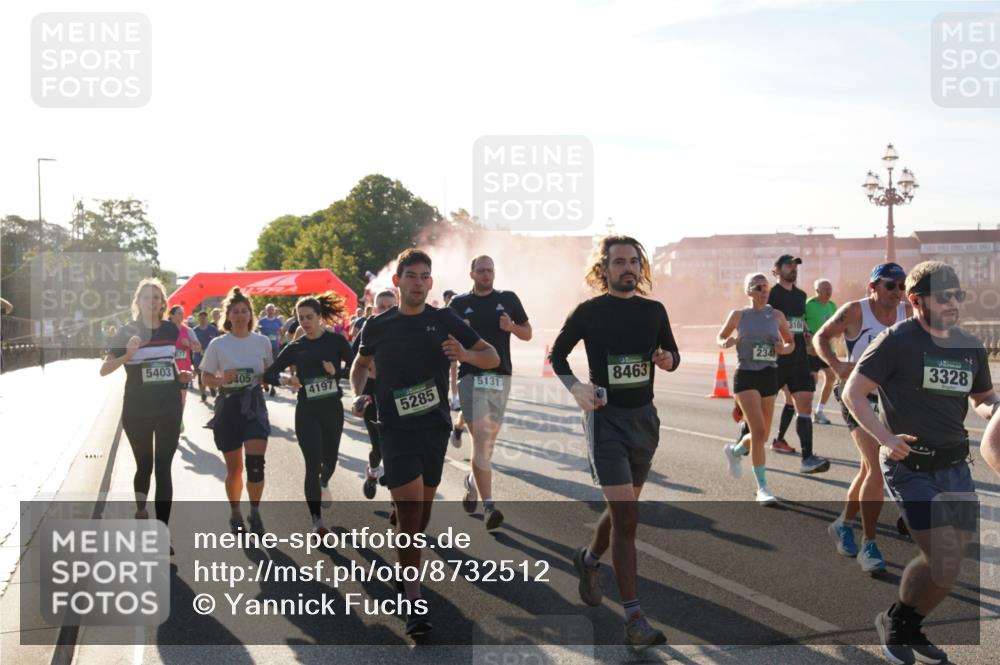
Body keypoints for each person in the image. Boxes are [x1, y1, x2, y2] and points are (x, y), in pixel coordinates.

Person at [843, 261, 998, 664]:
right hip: (910, 466)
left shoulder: (968, 345)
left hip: (955, 467)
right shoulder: (896, 341)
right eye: (943, 296)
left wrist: (997, 409)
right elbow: (853, 393)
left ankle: (907, 622)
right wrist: (885, 438)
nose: (953, 303)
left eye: (957, 295)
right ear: (916, 301)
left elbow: (981, 399)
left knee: (949, 564)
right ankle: (896, 622)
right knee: (944, 557)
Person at [349, 249, 499, 638]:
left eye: (424, 276)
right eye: (410, 276)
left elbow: (492, 355)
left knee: (419, 515)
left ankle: (405, 566)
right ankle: (414, 602)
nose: (417, 282)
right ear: (397, 281)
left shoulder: (443, 319)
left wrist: (464, 353)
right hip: (395, 429)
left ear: (430, 283)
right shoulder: (377, 325)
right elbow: (361, 365)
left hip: (433, 428)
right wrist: (358, 393)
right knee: (412, 513)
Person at [550, 235, 680, 652]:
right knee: (627, 519)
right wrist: (577, 389)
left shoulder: (654, 311)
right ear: (602, 268)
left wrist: (666, 360)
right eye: (619, 261)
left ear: (641, 269)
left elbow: (673, 353)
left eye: (633, 262)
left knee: (622, 513)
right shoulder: (589, 312)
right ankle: (635, 618)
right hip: (605, 421)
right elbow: (557, 355)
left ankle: (588, 559)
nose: (627, 268)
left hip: (644, 420)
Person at [815, 263, 910, 575]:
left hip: (891, 398)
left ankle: (844, 524)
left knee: (869, 469)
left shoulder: (906, 312)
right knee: (877, 467)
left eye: (902, 285)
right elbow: (821, 337)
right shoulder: (855, 311)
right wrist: (837, 366)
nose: (897, 291)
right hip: (858, 397)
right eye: (890, 285)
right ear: (873, 287)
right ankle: (869, 544)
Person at [100, 278, 189, 547]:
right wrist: (127, 355)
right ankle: (141, 509)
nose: (152, 302)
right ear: (137, 302)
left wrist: (181, 376)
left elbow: (169, 364)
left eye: (156, 297)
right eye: (146, 297)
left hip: (168, 408)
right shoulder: (127, 331)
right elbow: (104, 370)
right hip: (137, 410)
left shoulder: (172, 330)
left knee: (164, 469)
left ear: (163, 302)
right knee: (144, 465)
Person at [449, 257, 531, 530]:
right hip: (471, 376)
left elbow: (528, 333)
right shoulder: (458, 304)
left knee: (488, 446)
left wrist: (512, 328)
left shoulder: (508, 299)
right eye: (481, 270)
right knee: (482, 440)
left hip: (500, 376)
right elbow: (447, 339)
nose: (486, 274)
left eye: (490, 270)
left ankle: (473, 483)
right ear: (471, 273)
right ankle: (489, 506)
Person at [264, 293, 353, 534]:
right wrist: (287, 380)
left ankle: (324, 482)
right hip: (307, 412)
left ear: (320, 317)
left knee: (330, 461)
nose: (304, 322)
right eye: (300, 318)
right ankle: (317, 522)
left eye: (309, 317)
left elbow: (357, 368)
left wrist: (336, 373)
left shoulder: (336, 342)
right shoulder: (296, 347)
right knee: (312, 465)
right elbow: (269, 374)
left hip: (332, 409)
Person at [199, 288, 275, 534]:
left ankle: (254, 512)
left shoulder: (261, 341)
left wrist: (271, 378)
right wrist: (222, 379)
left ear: (251, 314)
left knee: (255, 465)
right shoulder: (218, 344)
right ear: (228, 316)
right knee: (235, 469)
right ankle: (235, 511)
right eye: (236, 312)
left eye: (245, 311)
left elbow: (269, 373)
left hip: (253, 404)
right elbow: (205, 378)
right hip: (229, 406)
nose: (241, 316)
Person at [717, 273, 795, 505]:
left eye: (766, 287)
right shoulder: (739, 315)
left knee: (762, 435)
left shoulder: (777, 315)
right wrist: (726, 342)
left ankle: (735, 451)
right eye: (759, 287)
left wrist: (783, 349)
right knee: (759, 431)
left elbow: (791, 343)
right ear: (749, 291)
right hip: (746, 377)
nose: (764, 291)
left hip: (769, 375)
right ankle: (763, 487)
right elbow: (720, 336)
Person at [766, 254, 829, 473]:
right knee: (761, 411)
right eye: (788, 265)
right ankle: (741, 446)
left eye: (795, 266)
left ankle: (807, 458)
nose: (793, 268)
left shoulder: (801, 295)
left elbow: (798, 321)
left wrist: (807, 335)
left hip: (799, 358)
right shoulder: (770, 294)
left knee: (805, 401)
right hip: (775, 359)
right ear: (776, 270)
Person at [352, 289, 398, 499]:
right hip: (372, 391)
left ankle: (396, 499)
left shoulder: (404, 328)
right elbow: (353, 359)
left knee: (397, 446)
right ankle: (372, 473)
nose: (387, 311)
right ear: (374, 308)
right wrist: (358, 393)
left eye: (391, 307)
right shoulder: (369, 329)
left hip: (397, 392)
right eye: (382, 307)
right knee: (378, 447)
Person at [805, 279, 837, 424]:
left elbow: (837, 325)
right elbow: (801, 322)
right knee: (813, 380)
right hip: (811, 349)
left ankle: (819, 412)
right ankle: (805, 410)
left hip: (827, 349)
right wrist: (807, 339)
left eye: (829, 288)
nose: (828, 291)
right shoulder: (809, 305)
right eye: (825, 289)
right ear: (817, 291)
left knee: (831, 377)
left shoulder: (832, 306)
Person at [169, 305, 202, 432]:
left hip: (184, 370)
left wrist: (188, 344)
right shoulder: (165, 330)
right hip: (169, 370)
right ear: (171, 315)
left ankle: (178, 419)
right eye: (178, 313)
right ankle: (171, 420)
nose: (181, 316)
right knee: (169, 398)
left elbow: (198, 348)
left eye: (182, 313)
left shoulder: (188, 331)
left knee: (182, 398)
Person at [193, 310, 220, 401]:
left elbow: (219, 340)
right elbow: (191, 343)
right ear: (198, 319)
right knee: (200, 376)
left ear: (207, 319)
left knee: (211, 374)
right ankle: (203, 394)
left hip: (211, 357)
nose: (203, 320)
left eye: (204, 318)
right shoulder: (195, 330)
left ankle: (211, 387)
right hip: (198, 357)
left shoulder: (212, 329)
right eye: (201, 318)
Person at [257, 304, 284, 396]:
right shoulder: (262, 321)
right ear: (266, 311)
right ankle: (265, 383)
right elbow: (258, 332)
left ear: (274, 311)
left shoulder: (278, 320)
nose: (270, 311)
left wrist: (281, 339)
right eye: (269, 309)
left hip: (275, 345)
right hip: (264, 346)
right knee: (265, 365)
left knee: (274, 365)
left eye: (272, 309)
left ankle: (273, 386)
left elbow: (280, 331)